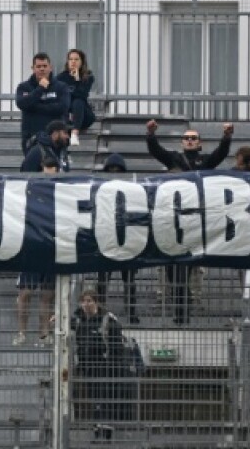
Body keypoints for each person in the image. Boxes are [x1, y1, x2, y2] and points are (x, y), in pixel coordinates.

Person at [70, 289, 136, 438]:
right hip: (87, 366)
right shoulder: (79, 317)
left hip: (105, 366)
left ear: (96, 302)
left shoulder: (108, 320)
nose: (85, 304)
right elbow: (68, 321)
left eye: (89, 301)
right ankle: (98, 429)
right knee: (95, 398)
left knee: (105, 398)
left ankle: (105, 433)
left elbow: (116, 346)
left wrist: (112, 364)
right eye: (83, 301)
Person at [96, 153, 139, 325]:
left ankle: (131, 312)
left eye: (117, 170)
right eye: (111, 170)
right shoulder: (102, 190)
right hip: (107, 238)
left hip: (124, 239)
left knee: (129, 281)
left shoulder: (128, 190)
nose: (114, 173)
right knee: (103, 282)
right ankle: (101, 311)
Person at [15, 53, 71, 153]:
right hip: (31, 136)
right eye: (38, 66)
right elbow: (22, 104)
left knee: (56, 167)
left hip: (56, 137)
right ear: (33, 68)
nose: (42, 69)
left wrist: (34, 107)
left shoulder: (61, 87)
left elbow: (62, 107)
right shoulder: (24, 87)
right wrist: (40, 89)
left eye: (45, 66)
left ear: (50, 67)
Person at [146, 119, 233, 171]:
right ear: (182, 143)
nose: (190, 140)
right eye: (186, 138)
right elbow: (156, 151)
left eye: (193, 138)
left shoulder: (206, 160)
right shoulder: (174, 158)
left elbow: (221, 153)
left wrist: (227, 136)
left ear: (199, 142)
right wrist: (151, 133)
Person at [56, 48, 95, 146]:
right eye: (71, 59)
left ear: (82, 62)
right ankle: (67, 131)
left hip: (83, 115)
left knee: (78, 101)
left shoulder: (88, 77)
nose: (73, 62)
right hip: (66, 114)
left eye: (76, 59)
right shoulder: (61, 77)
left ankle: (75, 133)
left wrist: (77, 79)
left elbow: (82, 95)